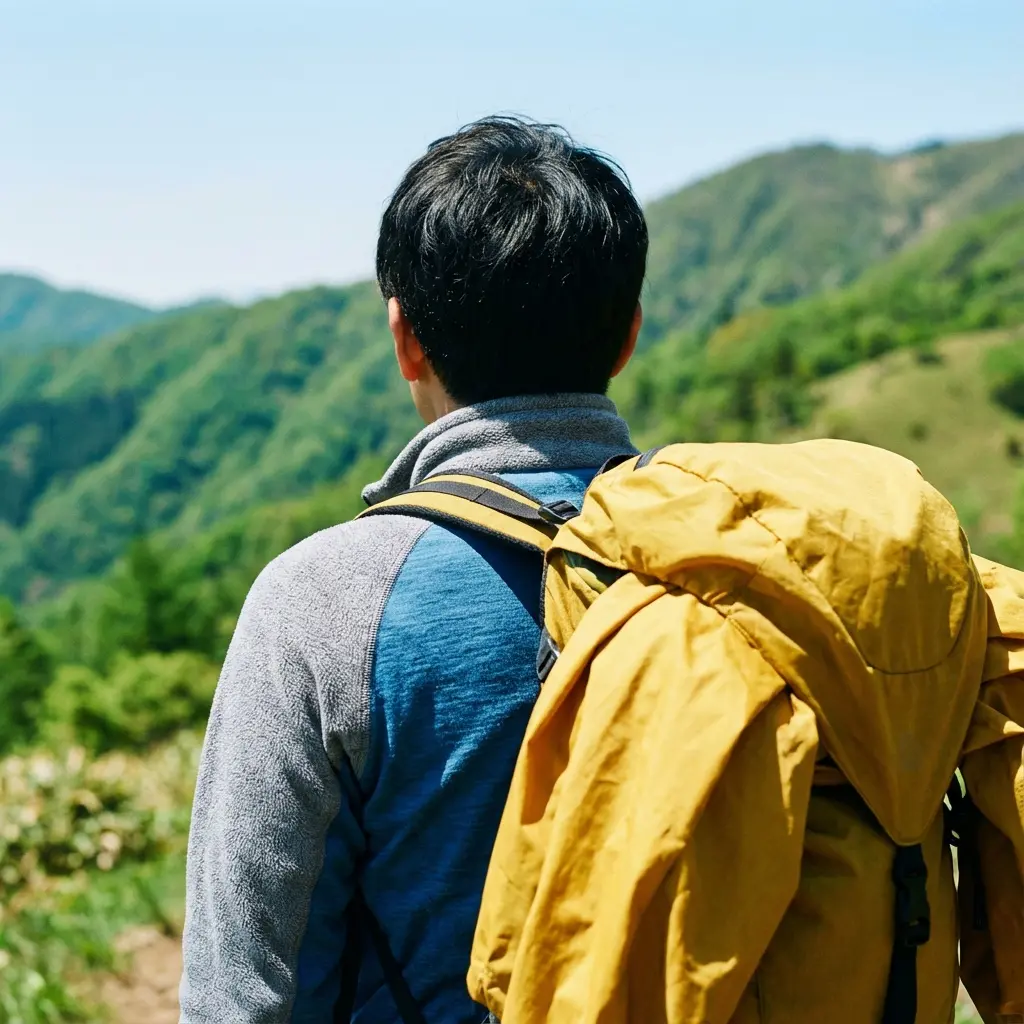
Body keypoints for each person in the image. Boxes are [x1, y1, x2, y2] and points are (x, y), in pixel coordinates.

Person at [180, 115, 648, 1023]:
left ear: (405, 338)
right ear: (626, 336)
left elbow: (243, 992)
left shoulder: (320, 602)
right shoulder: (750, 563)